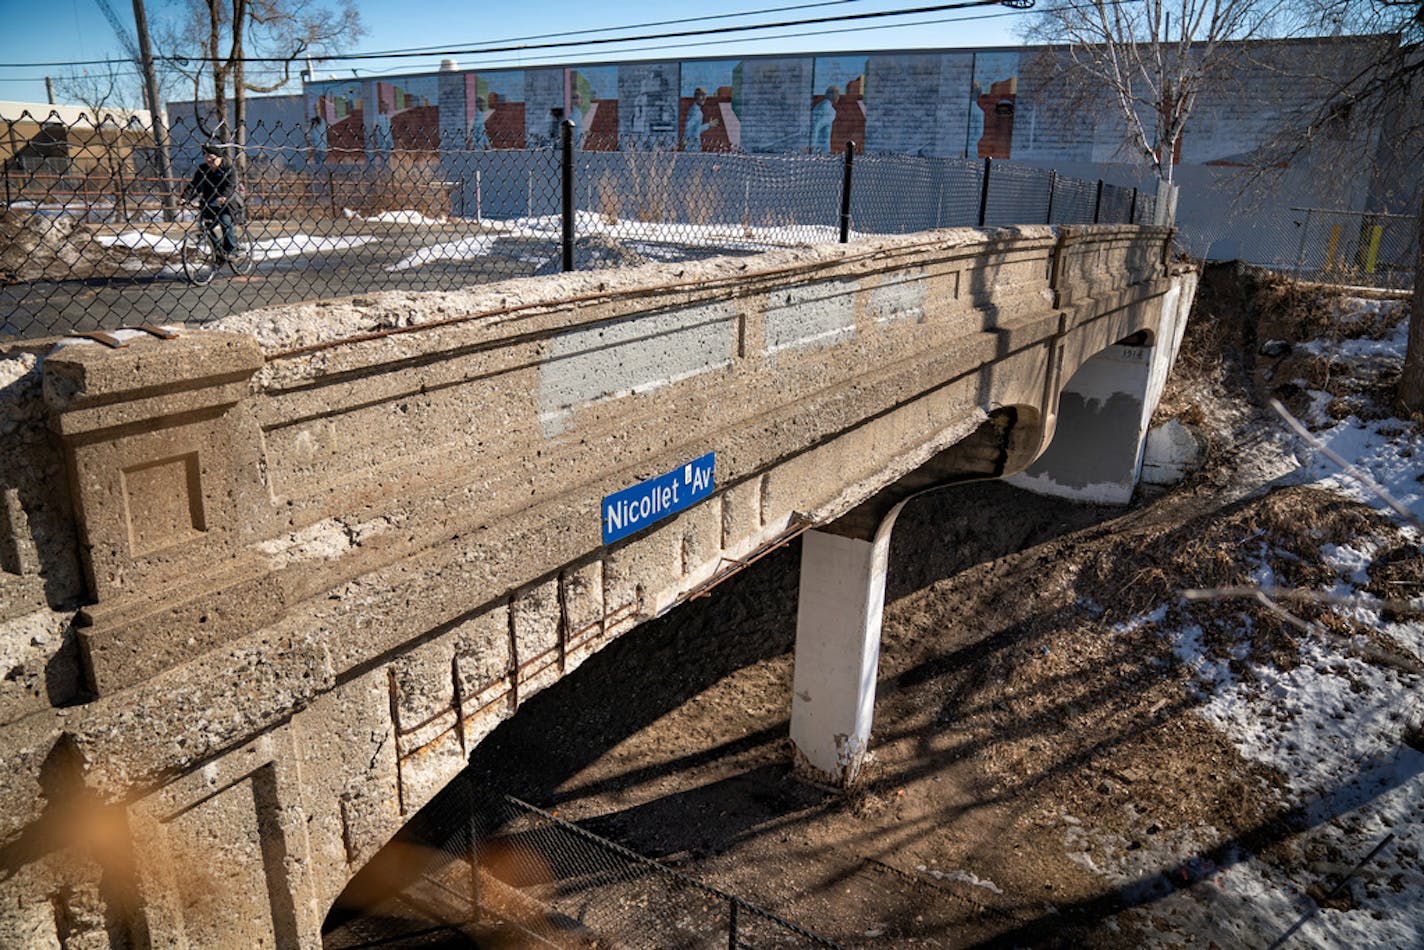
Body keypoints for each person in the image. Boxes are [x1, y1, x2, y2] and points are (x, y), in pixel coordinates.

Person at [181, 144, 239, 262]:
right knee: (206, 227)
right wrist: (184, 198)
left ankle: (232, 251)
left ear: (219, 158)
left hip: (225, 204)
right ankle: (218, 250)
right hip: (208, 203)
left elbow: (231, 185)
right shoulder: (203, 169)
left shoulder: (228, 169)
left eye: (212, 158)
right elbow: (194, 185)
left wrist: (224, 197)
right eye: (206, 158)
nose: (209, 161)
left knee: (225, 222)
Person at [683, 87, 718, 152]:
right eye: (702, 95)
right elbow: (688, 127)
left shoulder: (697, 111)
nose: (704, 98)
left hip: (694, 146)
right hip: (691, 147)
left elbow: (697, 129)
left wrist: (708, 125)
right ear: (696, 96)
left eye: (705, 95)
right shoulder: (695, 111)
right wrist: (685, 141)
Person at [810, 85, 840, 154]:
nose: (839, 96)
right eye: (838, 94)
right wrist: (812, 148)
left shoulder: (820, 106)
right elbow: (816, 126)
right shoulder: (828, 110)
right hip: (820, 151)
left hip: (820, 149)